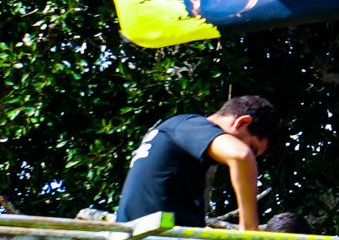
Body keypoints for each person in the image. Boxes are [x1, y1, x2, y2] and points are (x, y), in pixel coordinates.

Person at [116, 97, 277, 230]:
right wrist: (249, 227)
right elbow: (241, 156)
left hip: (151, 235)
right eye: (252, 147)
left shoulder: (180, 134)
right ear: (241, 122)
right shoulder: (187, 124)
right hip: (152, 238)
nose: (251, 158)